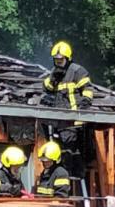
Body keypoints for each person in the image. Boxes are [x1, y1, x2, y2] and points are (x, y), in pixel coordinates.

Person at [40, 40, 94, 170]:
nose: (58, 62)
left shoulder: (77, 71)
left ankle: (71, 171)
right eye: (56, 60)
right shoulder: (54, 72)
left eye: (61, 60)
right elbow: (47, 88)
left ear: (68, 58)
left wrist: (84, 102)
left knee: (71, 151)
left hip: (74, 121)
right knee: (61, 150)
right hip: (59, 121)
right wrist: (53, 79)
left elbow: (87, 89)